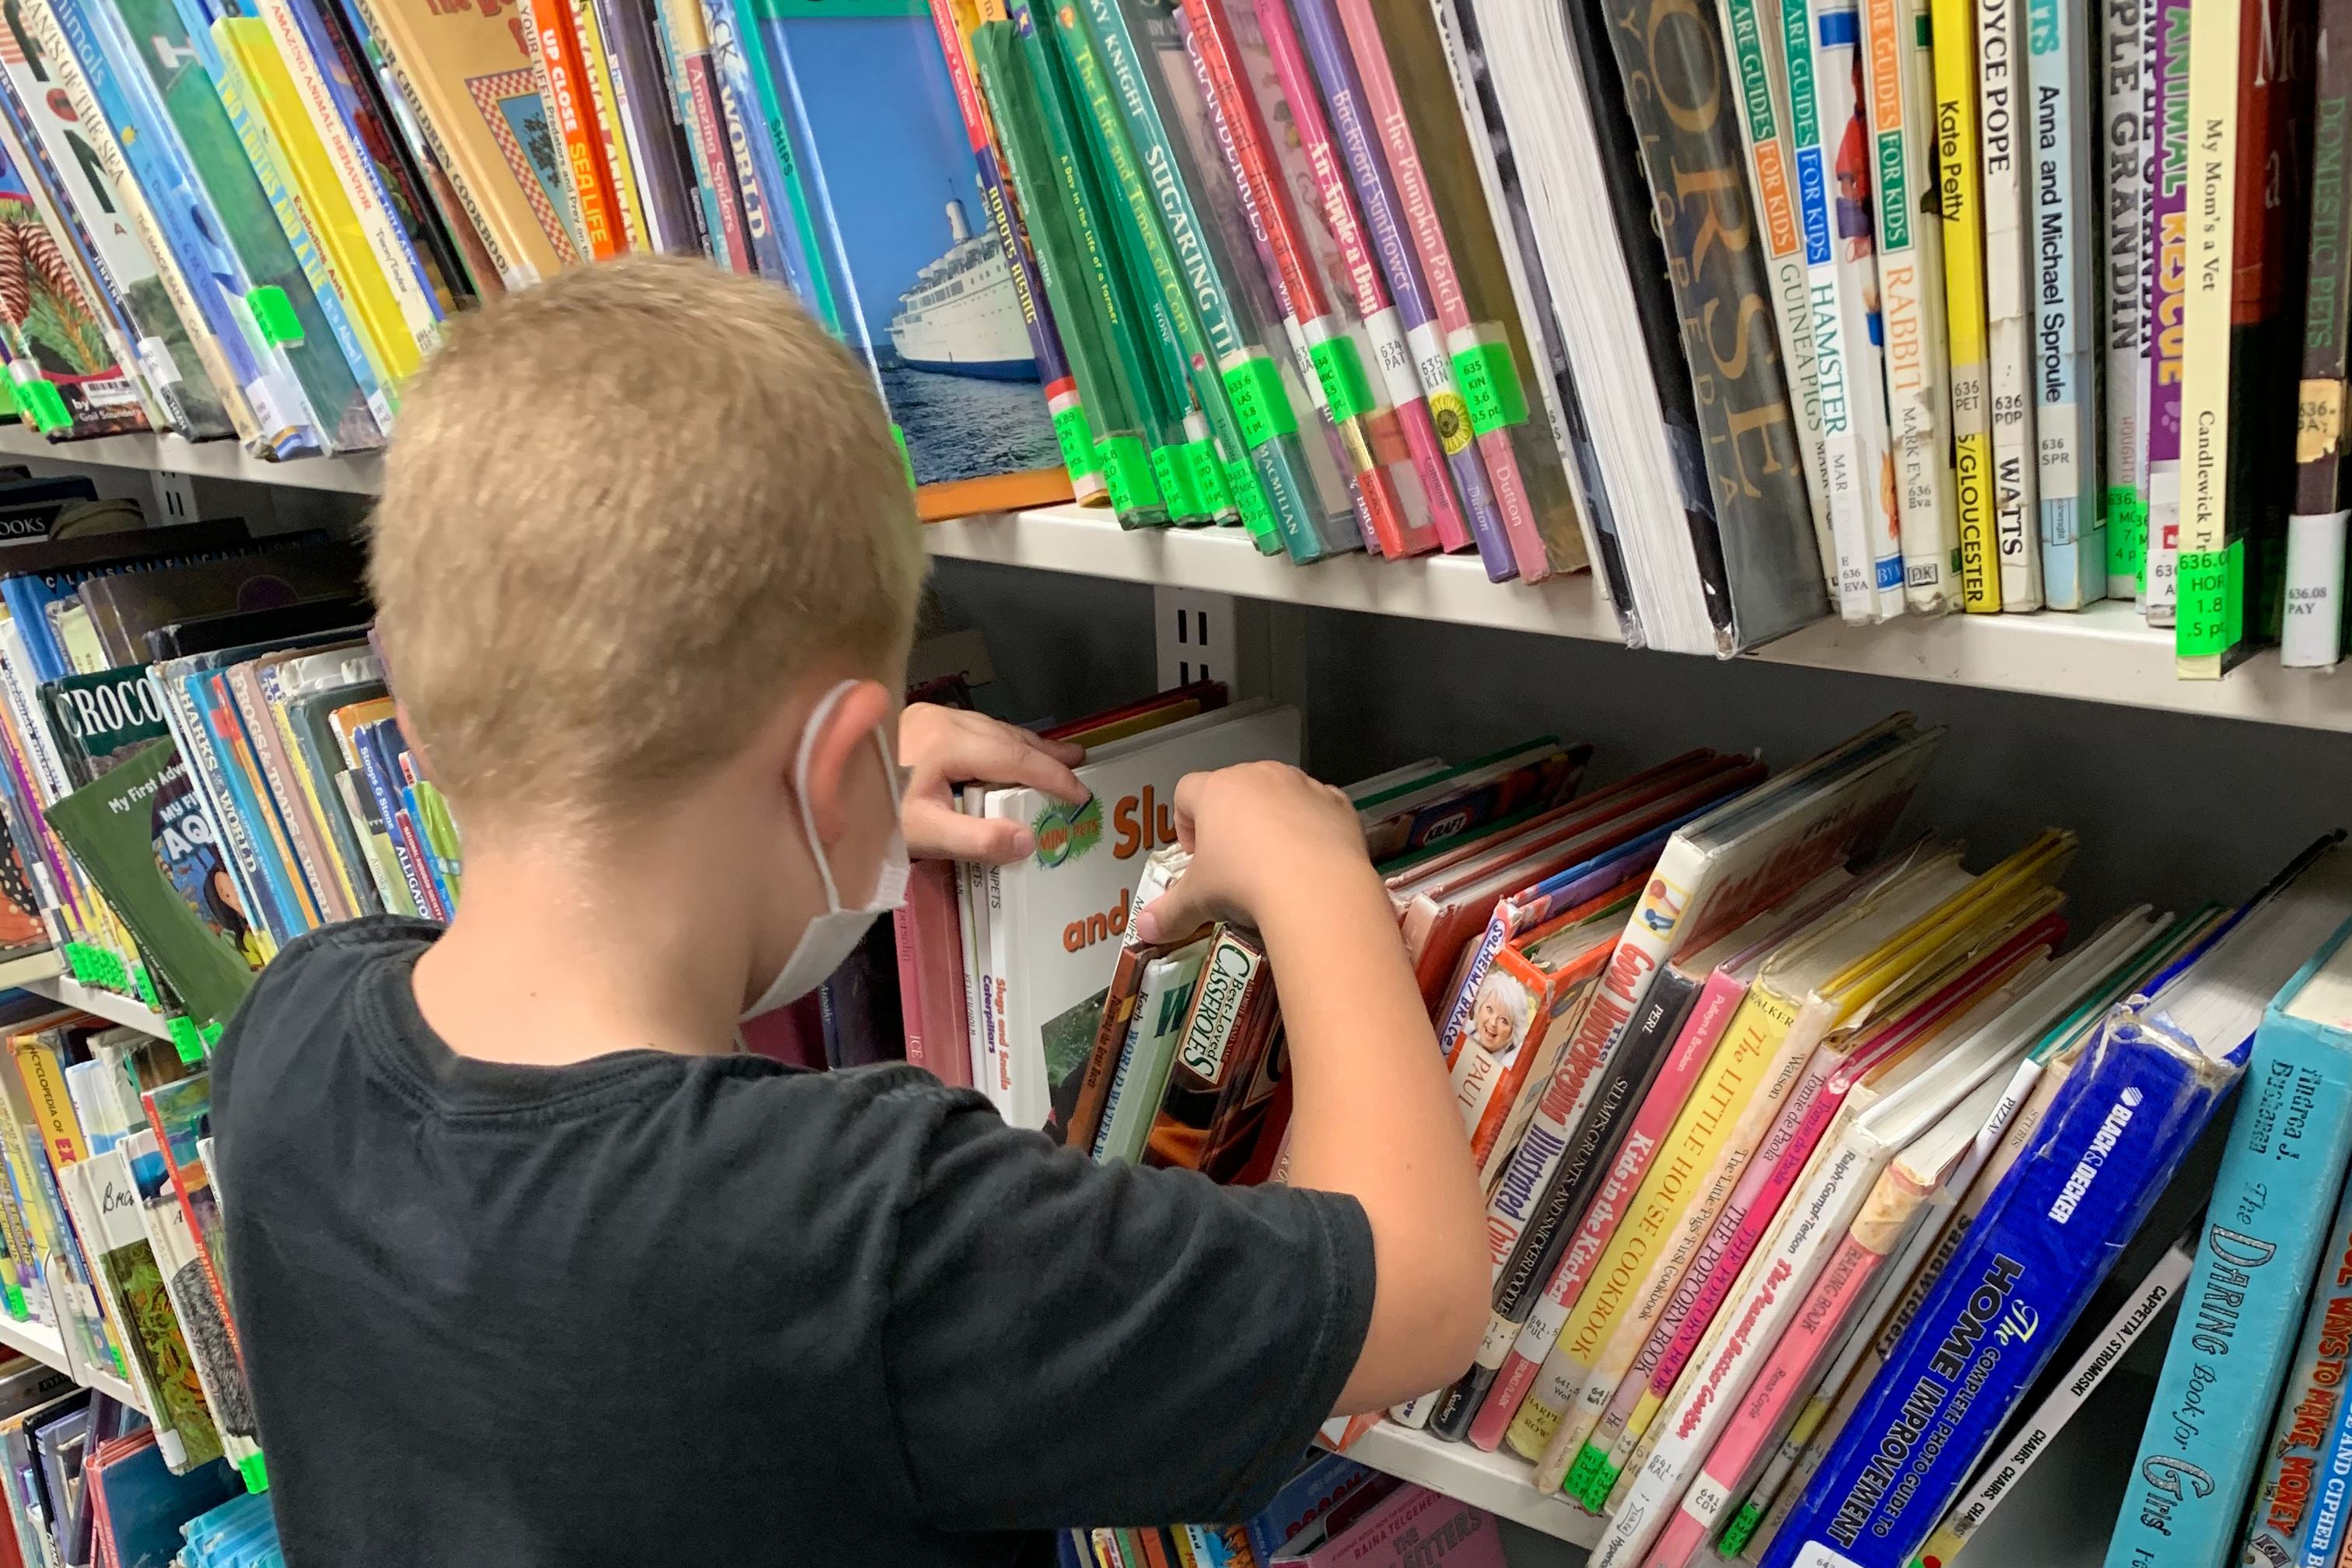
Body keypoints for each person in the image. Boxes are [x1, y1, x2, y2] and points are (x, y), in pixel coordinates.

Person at [211, 257, 1487, 1566]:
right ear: (831, 771)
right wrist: (1316, 867)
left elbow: (572, 1049)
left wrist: (830, 809)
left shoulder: (292, 1025)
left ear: (410, 721)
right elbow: (1424, 1296)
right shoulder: (864, 1224)